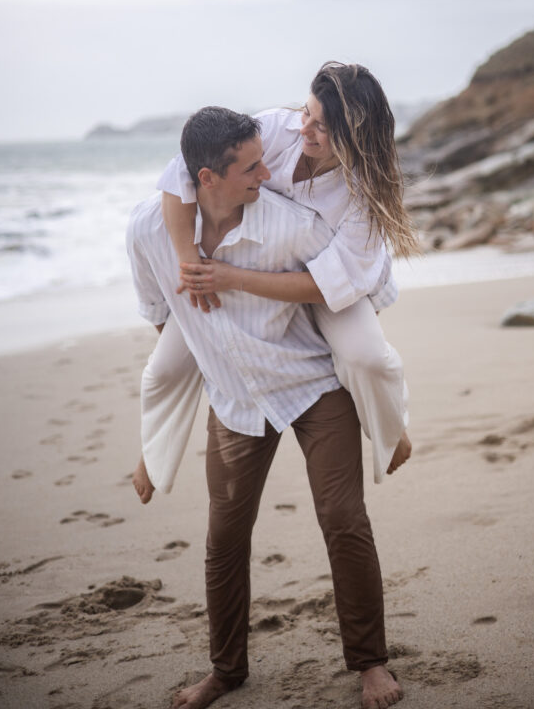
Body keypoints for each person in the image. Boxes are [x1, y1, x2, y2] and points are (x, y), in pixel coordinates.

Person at [126, 106, 403, 709]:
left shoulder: (291, 224)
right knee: (224, 536)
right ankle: (226, 672)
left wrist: (368, 376)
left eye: (262, 161)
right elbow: (159, 320)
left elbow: (359, 289)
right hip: (235, 397)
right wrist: (202, 363)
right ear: (205, 178)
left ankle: (371, 662)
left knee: (342, 517)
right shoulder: (149, 230)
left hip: (310, 384)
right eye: (251, 169)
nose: (267, 173)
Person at [133, 61, 419, 504]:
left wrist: (232, 278)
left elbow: (326, 286)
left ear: (353, 137)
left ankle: (389, 428)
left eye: (322, 127)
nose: (305, 129)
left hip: (327, 280)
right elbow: (181, 176)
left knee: (365, 358)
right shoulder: (276, 128)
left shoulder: (364, 191)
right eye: (307, 112)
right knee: (164, 369)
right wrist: (192, 267)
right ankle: (153, 457)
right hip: (259, 256)